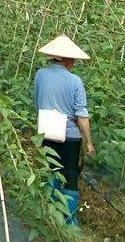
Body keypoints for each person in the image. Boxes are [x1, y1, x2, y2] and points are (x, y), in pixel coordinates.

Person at [34, 35, 93, 226]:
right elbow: (82, 116)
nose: (74, 64)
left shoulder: (40, 75)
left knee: (50, 169)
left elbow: (37, 102)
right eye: (73, 61)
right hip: (69, 136)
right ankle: (68, 221)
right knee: (70, 175)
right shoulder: (75, 81)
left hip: (46, 130)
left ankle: (49, 212)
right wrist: (89, 142)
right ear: (68, 60)